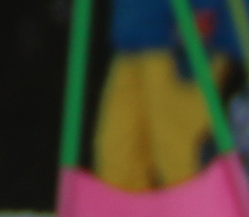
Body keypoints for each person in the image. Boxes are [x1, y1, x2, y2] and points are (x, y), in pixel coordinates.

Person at [94, 0, 228, 192]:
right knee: (118, 151)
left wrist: (202, 14)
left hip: (179, 38)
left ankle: (192, 208)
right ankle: (127, 210)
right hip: (132, 38)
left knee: (179, 152)